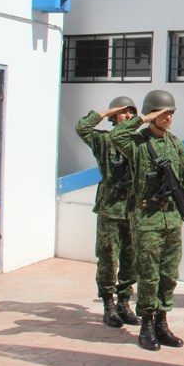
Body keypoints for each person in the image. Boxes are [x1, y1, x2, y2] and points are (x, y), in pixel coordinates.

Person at [111, 90, 184, 351]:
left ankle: (162, 322)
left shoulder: (175, 144)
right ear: (152, 113)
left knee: (169, 274)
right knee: (148, 275)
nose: (168, 117)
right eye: (162, 112)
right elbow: (116, 136)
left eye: (170, 112)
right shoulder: (137, 143)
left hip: (172, 217)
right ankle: (147, 325)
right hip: (147, 219)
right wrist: (141, 119)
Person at [75, 97, 141, 329]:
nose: (128, 116)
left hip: (133, 209)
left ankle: (124, 303)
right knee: (107, 259)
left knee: (130, 259)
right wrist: (105, 112)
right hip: (110, 209)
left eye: (132, 113)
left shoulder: (139, 141)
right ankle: (108, 305)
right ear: (114, 117)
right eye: (123, 113)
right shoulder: (103, 140)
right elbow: (81, 127)